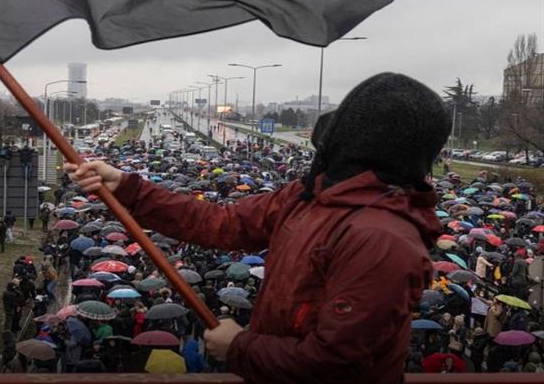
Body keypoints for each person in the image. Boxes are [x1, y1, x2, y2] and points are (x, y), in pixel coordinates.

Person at [65, 73, 452, 383]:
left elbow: (335, 364)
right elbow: (221, 222)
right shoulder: (309, 196)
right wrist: (129, 188)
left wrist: (240, 348)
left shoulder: (382, 240)